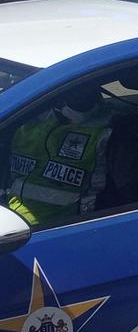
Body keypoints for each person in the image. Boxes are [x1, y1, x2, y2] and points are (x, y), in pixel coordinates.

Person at [5, 84, 114, 227]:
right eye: (74, 95)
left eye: (83, 95)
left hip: (64, 229)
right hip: (10, 219)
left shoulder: (105, 133)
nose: (79, 98)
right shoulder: (25, 121)